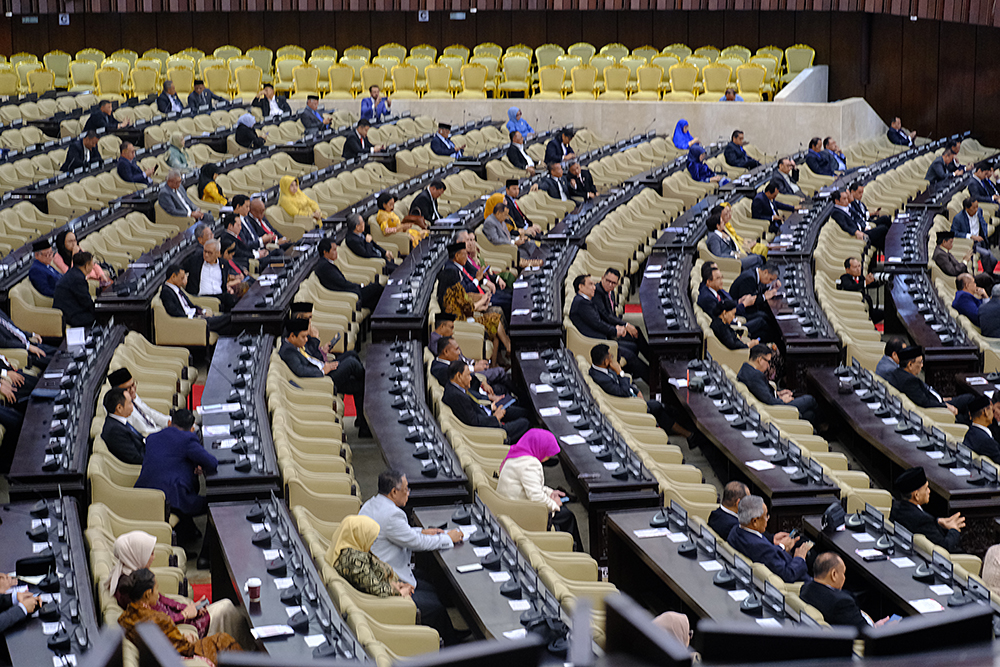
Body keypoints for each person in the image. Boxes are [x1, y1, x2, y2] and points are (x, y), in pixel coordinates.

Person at [358, 470, 466, 644]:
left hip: (379, 569)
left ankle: (448, 632)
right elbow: (417, 543)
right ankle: (451, 645)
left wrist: (422, 531)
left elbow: (399, 534)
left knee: (430, 584)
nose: (409, 493)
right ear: (394, 492)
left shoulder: (373, 504)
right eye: (406, 489)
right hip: (386, 580)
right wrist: (448, 538)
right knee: (435, 606)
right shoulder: (392, 515)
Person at [107, 532, 246, 640]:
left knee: (226, 607)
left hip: (178, 618)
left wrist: (191, 608)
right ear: (136, 554)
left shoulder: (133, 575)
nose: (153, 557)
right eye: (150, 553)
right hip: (177, 627)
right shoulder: (131, 587)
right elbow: (153, 621)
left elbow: (162, 600)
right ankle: (251, 652)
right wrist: (185, 615)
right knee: (226, 609)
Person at [136, 410, 218, 567]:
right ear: (192, 428)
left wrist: (191, 464)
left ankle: (188, 537)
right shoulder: (188, 439)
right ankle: (205, 557)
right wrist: (196, 463)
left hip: (145, 495)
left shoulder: (153, 438)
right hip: (172, 498)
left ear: (170, 423)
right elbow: (211, 463)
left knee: (189, 486)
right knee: (214, 503)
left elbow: (168, 460)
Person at [116, 568, 242, 662]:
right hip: (180, 657)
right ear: (148, 594)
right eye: (156, 588)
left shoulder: (125, 618)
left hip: (163, 653)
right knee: (223, 640)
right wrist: (187, 639)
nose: (158, 592)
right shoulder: (158, 619)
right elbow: (186, 649)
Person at [287, 303, 370, 437]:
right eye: (308, 318)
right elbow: (301, 370)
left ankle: (363, 424)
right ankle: (371, 383)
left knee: (353, 360)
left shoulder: (300, 334)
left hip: (322, 368)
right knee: (352, 364)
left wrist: (322, 352)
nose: (310, 322)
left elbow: (313, 357)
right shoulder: (290, 347)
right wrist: (323, 369)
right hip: (320, 381)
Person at [496, 429, 582, 550]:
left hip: (510, 506)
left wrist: (550, 492)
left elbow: (529, 485)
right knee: (567, 516)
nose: (547, 458)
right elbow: (536, 497)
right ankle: (575, 554)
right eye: (547, 454)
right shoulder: (530, 464)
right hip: (521, 512)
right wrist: (555, 505)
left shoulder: (517, 454)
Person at [589, 344, 690, 436]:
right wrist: (619, 371)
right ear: (605, 361)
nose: (612, 358)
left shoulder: (599, 369)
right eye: (610, 357)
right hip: (628, 406)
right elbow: (622, 392)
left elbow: (623, 385)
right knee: (658, 407)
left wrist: (637, 391)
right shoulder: (601, 379)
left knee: (662, 409)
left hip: (633, 398)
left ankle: (686, 431)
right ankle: (686, 431)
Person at [436, 242, 510, 362]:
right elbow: (464, 308)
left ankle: (497, 361)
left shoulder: (454, 289)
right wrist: (481, 303)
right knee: (495, 318)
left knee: (496, 319)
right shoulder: (450, 288)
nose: (467, 257)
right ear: (457, 256)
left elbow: (467, 299)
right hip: (463, 320)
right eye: (464, 254)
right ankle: (508, 347)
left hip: (470, 312)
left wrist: (481, 302)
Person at [570, 274, 649, 381]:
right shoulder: (581, 304)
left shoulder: (585, 301)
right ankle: (653, 381)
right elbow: (598, 324)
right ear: (581, 287)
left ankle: (647, 372)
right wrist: (615, 330)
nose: (594, 287)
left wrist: (617, 329)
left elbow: (602, 320)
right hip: (595, 344)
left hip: (601, 338)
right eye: (590, 284)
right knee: (630, 355)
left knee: (633, 345)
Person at [727, 495, 812, 583]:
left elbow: (765, 553)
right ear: (755, 521)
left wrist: (778, 544)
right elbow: (788, 574)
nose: (768, 518)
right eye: (766, 515)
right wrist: (800, 557)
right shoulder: (760, 547)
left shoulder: (735, 531)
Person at [328, 515, 413, 599]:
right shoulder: (354, 560)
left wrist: (396, 584)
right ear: (360, 535)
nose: (373, 542)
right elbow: (378, 589)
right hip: (384, 601)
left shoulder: (353, 549)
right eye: (371, 537)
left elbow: (373, 574)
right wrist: (401, 592)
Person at [443, 361, 529, 442]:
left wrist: (491, 407)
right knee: (525, 423)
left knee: (523, 412)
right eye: (468, 375)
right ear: (458, 376)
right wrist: (495, 418)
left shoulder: (453, 388)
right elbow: (475, 422)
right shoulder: (456, 396)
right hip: (488, 428)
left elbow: (474, 408)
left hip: (487, 412)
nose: (470, 378)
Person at [801, 554, 890, 629]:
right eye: (843, 573)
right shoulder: (842, 603)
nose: (844, 578)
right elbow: (868, 634)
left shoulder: (805, 589)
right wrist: (884, 629)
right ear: (834, 574)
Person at [737, 345, 820, 424]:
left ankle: (820, 429)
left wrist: (778, 394)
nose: (769, 365)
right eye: (768, 361)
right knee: (810, 399)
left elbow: (763, 393)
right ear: (759, 360)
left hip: (775, 402)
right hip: (777, 409)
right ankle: (825, 425)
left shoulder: (745, 369)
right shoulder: (754, 376)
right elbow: (770, 401)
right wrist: (782, 400)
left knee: (810, 415)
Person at [890, 466, 964, 551]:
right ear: (916, 495)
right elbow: (944, 548)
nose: (929, 491)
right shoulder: (923, 520)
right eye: (926, 488)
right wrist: (954, 529)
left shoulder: (896, 507)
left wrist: (938, 522)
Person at [699, 263, 770, 341]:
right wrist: (743, 304)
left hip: (735, 317)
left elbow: (727, 304)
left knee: (764, 317)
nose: (721, 281)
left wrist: (739, 301)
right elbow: (721, 318)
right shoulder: (707, 298)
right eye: (718, 278)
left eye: (721, 277)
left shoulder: (715, 290)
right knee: (762, 322)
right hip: (732, 325)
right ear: (709, 282)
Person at [885, 346, 960, 415]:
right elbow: (925, 402)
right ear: (910, 364)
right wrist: (945, 406)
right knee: (968, 399)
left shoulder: (896, 373)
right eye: (920, 362)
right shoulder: (910, 381)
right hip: (936, 407)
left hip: (937, 399)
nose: (922, 365)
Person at [315, 237, 383, 311]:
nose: (336, 252)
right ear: (325, 252)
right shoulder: (325, 267)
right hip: (347, 295)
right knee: (377, 288)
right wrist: (360, 286)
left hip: (350, 291)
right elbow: (342, 283)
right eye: (334, 250)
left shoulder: (325, 263)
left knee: (374, 298)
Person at [160, 264, 231, 333]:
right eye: (182, 278)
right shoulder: (166, 292)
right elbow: (174, 311)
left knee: (228, 325)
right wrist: (194, 318)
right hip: (192, 321)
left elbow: (190, 305)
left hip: (196, 316)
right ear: (173, 277)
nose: (183, 281)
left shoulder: (176, 288)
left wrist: (202, 311)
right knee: (227, 318)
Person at [108, 367, 169, 437]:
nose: (133, 390)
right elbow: (144, 431)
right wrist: (168, 430)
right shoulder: (123, 410)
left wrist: (168, 421)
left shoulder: (131, 395)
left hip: (158, 428)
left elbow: (149, 412)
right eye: (128, 388)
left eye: (133, 385)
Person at [184, 239, 240, 311]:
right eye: (205, 251)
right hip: (202, 296)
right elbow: (179, 270)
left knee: (234, 298)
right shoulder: (195, 261)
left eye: (210, 253)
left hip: (220, 296)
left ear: (217, 253)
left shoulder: (224, 264)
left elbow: (223, 283)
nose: (206, 255)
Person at [951, 197, 997, 273]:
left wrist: (984, 233)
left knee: (994, 260)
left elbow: (983, 223)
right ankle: (988, 275)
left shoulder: (979, 211)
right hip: (970, 244)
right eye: (974, 208)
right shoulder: (958, 218)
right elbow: (954, 233)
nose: (976, 209)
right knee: (986, 254)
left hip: (981, 241)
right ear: (967, 209)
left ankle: (988, 274)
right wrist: (970, 236)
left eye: (977, 206)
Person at [101, 387, 145, 465]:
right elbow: (136, 458)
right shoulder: (114, 431)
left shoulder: (117, 422)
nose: (132, 405)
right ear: (119, 408)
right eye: (130, 403)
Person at [52, 251, 97, 327]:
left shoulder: (73, 272)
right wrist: (98, 311)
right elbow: (85, 301)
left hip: (69, 310)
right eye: (92, 263)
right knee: (100, 318)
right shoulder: (78, 279)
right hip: (70, 315)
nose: (93, 266)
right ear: (87, 265)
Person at [838, 257, 884, 323]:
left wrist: (879, 281)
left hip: (867, 307)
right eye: (855, 267)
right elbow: (852, 287)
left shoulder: (860, 277)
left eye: (859, 266)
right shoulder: (844, 278)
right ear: (847, 269)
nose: (858, 269)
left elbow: (870, 284)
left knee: (884, 314)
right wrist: (865, 282)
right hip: (854, 308)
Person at [964, 395, 1000, 462]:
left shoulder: (970, 432)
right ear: (986, 412)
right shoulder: (988, 442)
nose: (993, 413)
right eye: (992, 410)